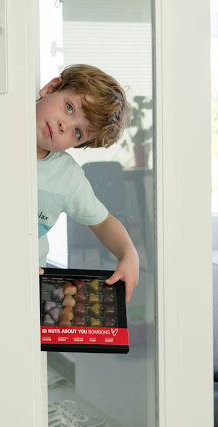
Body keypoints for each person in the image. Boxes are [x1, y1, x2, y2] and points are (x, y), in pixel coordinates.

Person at [36, 64, 139, 303]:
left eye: (78, 132)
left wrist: (129, 253)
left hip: (27, 283)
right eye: (69, 107)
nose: (65, 126)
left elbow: (103, 223)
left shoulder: (67, 175)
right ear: (51, 88)